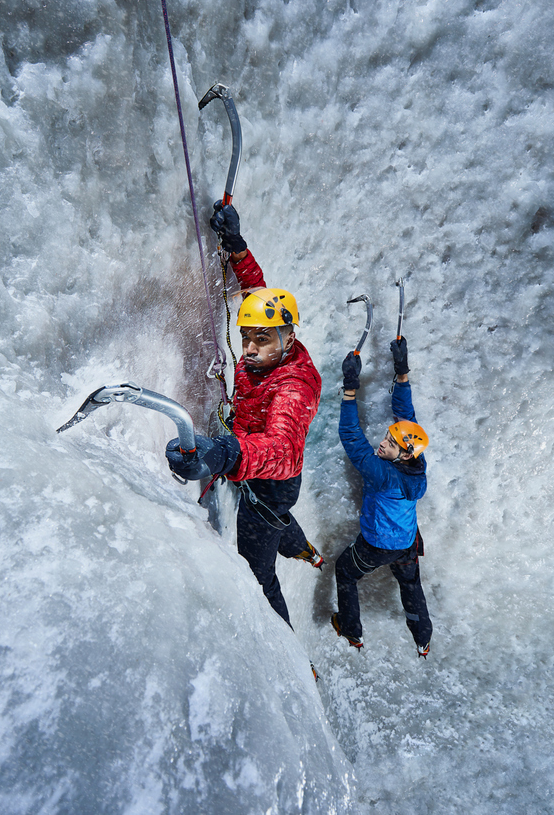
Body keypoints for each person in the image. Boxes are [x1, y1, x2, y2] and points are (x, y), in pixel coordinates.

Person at [166, 202, 323, 628]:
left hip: (272, 480)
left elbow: (285, 449)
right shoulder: (271, 342)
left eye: (261, 340)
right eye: (246, 337)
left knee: (258, 569)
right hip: (257, 469)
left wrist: (227, 452)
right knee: (277, 523)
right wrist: (236, 246)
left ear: (289, 337)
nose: (250, 348)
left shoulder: (296, 384)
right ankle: (305, 550)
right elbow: (258, 292)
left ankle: (288, 653)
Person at [332, 336, 433, 657]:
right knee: (410, 584)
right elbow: (407, 416)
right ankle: (423, 638)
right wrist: (402, 372)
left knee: (345, 573)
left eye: (390, 443)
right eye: (388, 437)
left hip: (376, 546)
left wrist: (350, 388)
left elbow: (351, 437)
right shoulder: (416, 462)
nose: (383, 443)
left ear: (402, 455)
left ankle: (352, 631)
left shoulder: (381, 473)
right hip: (406, 541)